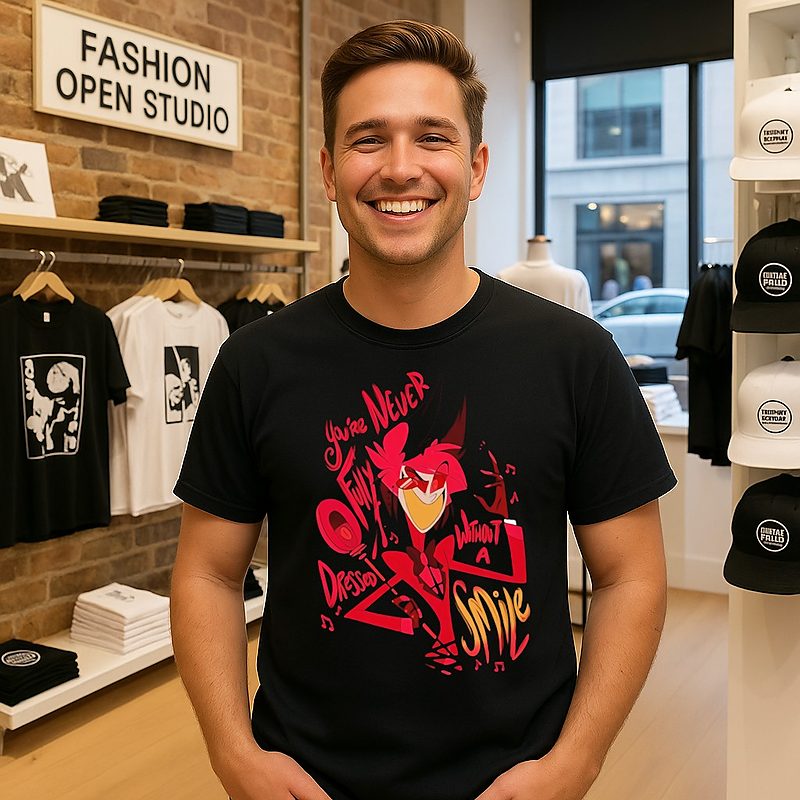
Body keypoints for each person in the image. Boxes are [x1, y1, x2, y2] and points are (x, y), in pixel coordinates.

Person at [170, 20, 676, 800]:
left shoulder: (575, 356)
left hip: (515, 781)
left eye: (432, 137)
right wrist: (233, 752)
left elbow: (629, 575)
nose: (400, 167)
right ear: (329, 170)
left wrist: (577, 759)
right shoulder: (255, 362)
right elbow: (207, 572)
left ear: (476, 167)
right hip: (305, 779)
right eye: (368, 139)